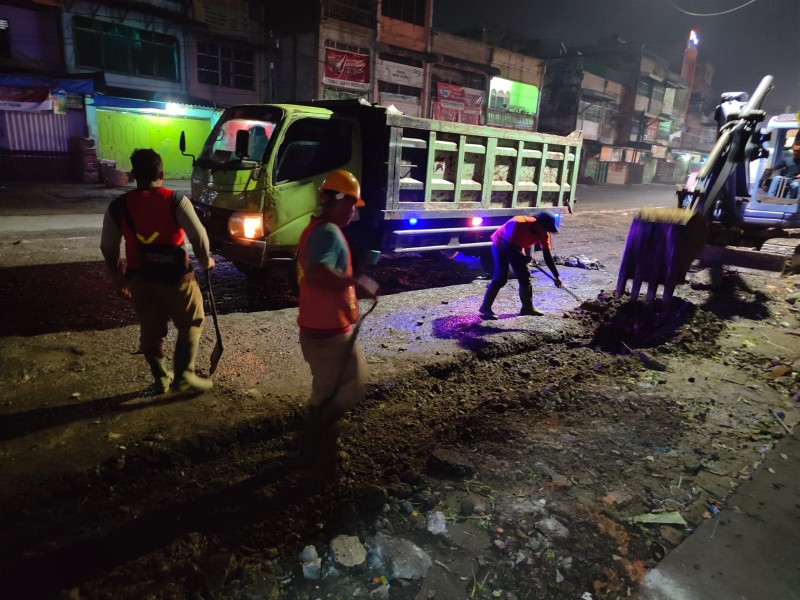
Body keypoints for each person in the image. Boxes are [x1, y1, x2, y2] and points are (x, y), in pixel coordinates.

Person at [100, 148, 216, 394]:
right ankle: (184, 376)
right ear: (161, 173)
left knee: (151, 331)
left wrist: (118, 277)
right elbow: (199, 237)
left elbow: (108, 246)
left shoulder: (118, 206)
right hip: (177, 279)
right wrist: (206, 262)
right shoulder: (175, 200)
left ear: (133, 175)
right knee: (191, 323)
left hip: (140, 279)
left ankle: (161, 379)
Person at [295, 169, 379, 477]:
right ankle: (319, 448)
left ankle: (314, 445)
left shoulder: (317, 228)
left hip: (318, 327)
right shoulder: (328, 232)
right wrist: (359, 281)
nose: (355, 211)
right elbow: (318, 273)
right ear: (340, 201)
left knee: (325, 390)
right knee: (352, 385)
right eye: (353, 204)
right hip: (329, 333)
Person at [479, 212, 562, 320]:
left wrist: (556, 275)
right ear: (539, 223)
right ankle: (485, 308)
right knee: (501, 278)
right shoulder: (518, 223)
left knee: (525, 276)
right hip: (501, 245)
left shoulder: (544, 232)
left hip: (516, 246)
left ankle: (527, 308)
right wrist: (522, 257)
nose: (546, 231)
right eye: (545, 228)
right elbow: (506, 245)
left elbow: (547, 255)